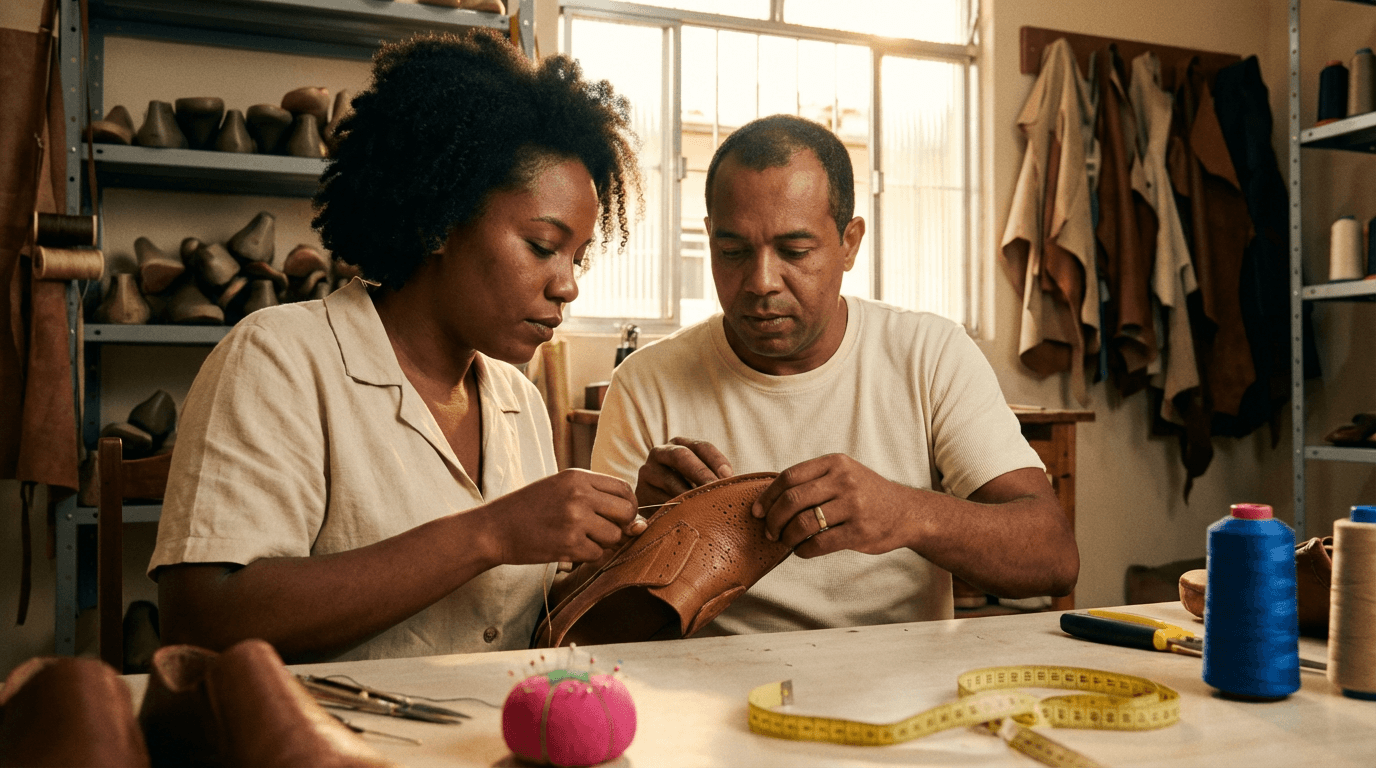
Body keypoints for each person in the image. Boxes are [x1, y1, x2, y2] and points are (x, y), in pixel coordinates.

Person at [150, 31, 644, 662]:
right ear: (440, 221)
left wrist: (639, 541)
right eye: (542, 247)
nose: (568, 285)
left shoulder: (517, 400)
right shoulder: (279, 359)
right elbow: (202, 619)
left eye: (577, 257)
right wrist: (489, 533)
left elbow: (517, 619)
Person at [591, 114, 1079, 635]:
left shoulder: (930, 354)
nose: (761, 281)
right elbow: (592, 622)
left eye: (795, 251)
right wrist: (645, 538)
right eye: (732, 252)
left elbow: (1053, 557)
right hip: (709, 679)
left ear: (850, 243)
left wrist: (905, 513)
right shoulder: (645, 383)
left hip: (896, 679)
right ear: (709, 237)